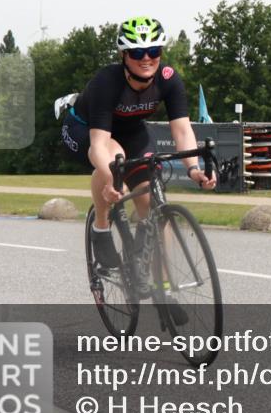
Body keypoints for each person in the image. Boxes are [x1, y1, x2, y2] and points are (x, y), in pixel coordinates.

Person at [60, 17, 216, 304]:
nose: (147, 59)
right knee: (113, 159)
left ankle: (162, 285)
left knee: (154, 209)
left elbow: (182, 129)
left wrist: (194, 169)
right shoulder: (107, 82)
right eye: (137, 53)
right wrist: (110, 181)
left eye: (153, 51)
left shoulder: (169, 79)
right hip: (85, 129)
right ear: (124, 55)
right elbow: (97, 146)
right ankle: (102, 226)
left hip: (131, 131)